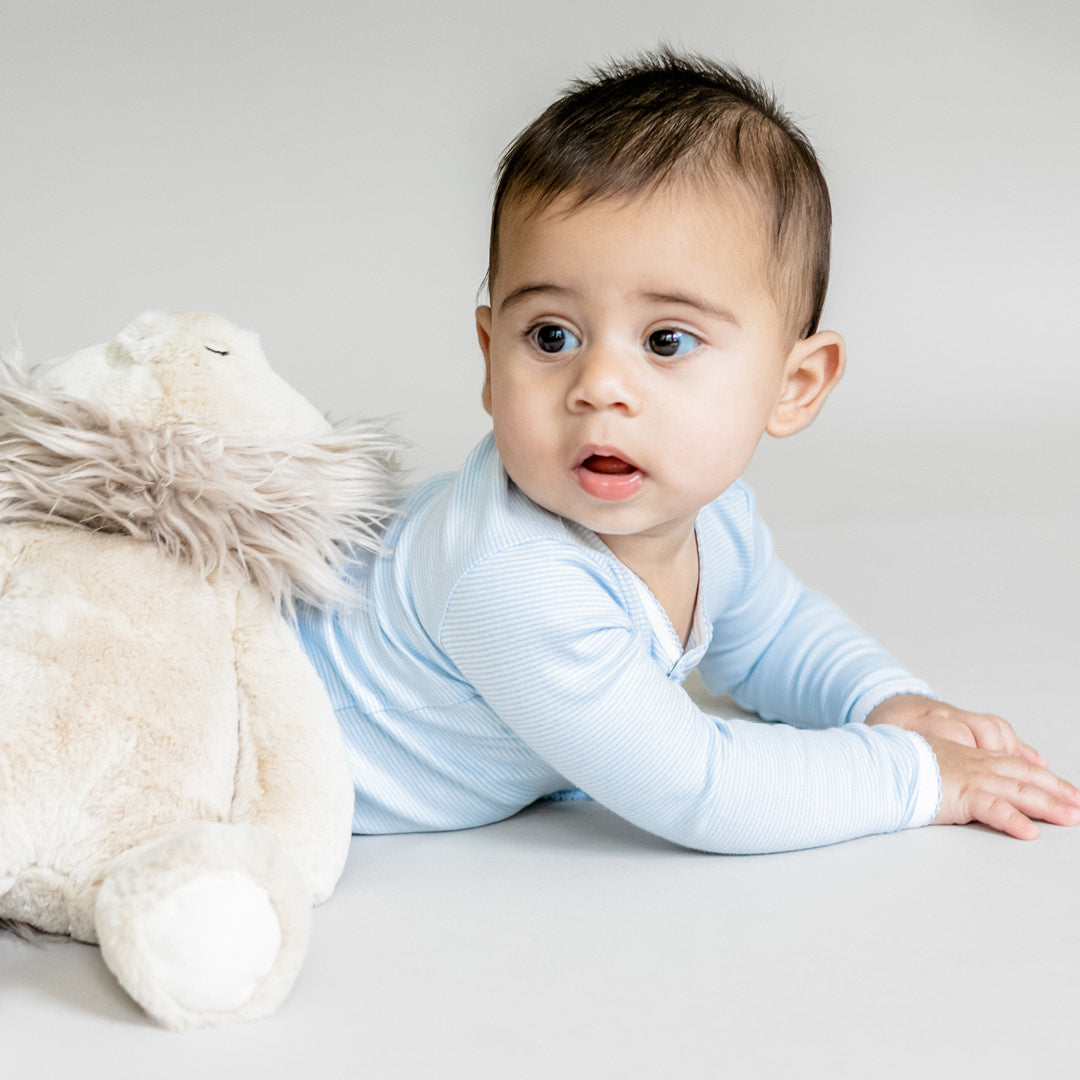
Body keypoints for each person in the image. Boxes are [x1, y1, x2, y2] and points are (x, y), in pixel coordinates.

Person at [296, 50, 1080, 853]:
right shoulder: (512, 575)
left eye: (666, 340)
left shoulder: (714, 518)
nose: (599, 385)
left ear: (794, 385)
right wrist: (919, 774)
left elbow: (772, 634)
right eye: (551, 336)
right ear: (490, 357)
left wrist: (886, 701)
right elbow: (705, 788)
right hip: (271, 731)